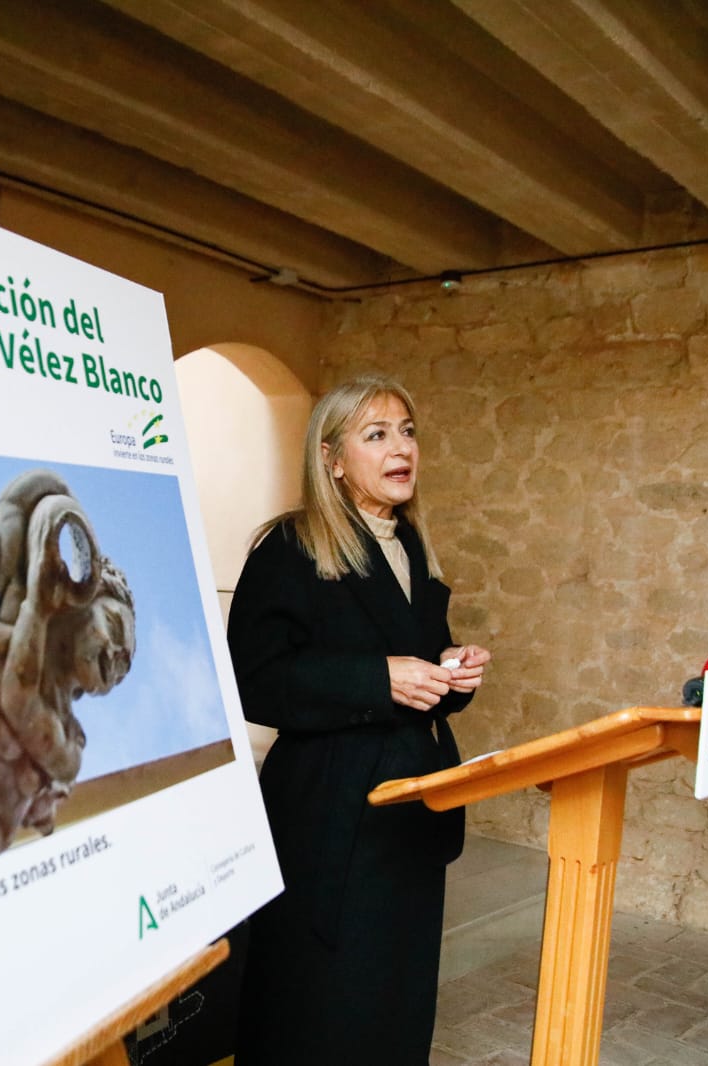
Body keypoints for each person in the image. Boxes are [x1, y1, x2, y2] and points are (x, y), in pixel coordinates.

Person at [229, 374, 491, 1065]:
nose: (400, 446)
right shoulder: (289, 547)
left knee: (395, 993)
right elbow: (255, 680)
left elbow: (417, 662)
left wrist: (452, 671)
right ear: (333, 459)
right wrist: (378, 679)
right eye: (376, 434)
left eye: (407, 431)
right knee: (323, 999)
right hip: (330, 813)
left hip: (411, 805)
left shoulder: (411, 548)